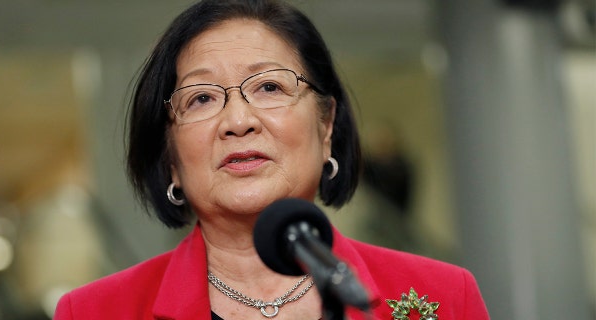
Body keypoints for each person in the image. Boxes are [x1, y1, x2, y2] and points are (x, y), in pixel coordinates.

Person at [54, 0, 490, 319]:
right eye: (201, 98)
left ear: (326, 128)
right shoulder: (93, 312)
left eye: (270, 88)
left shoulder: (445, 296)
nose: (238, 121)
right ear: (170, 158)